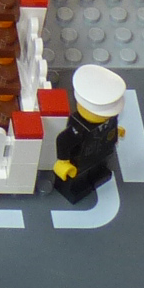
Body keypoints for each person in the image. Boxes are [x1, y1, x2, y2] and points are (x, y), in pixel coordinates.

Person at [50, 65, 129, 205]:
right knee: (77, 179)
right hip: (80, 160)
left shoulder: (110, 118)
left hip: (102, 151)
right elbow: (63, 140)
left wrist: (115, 131)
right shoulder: (79, 127)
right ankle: (76, 189)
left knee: (100, 168)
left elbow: (109, 125)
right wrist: (63, 161)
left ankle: (98, 176)